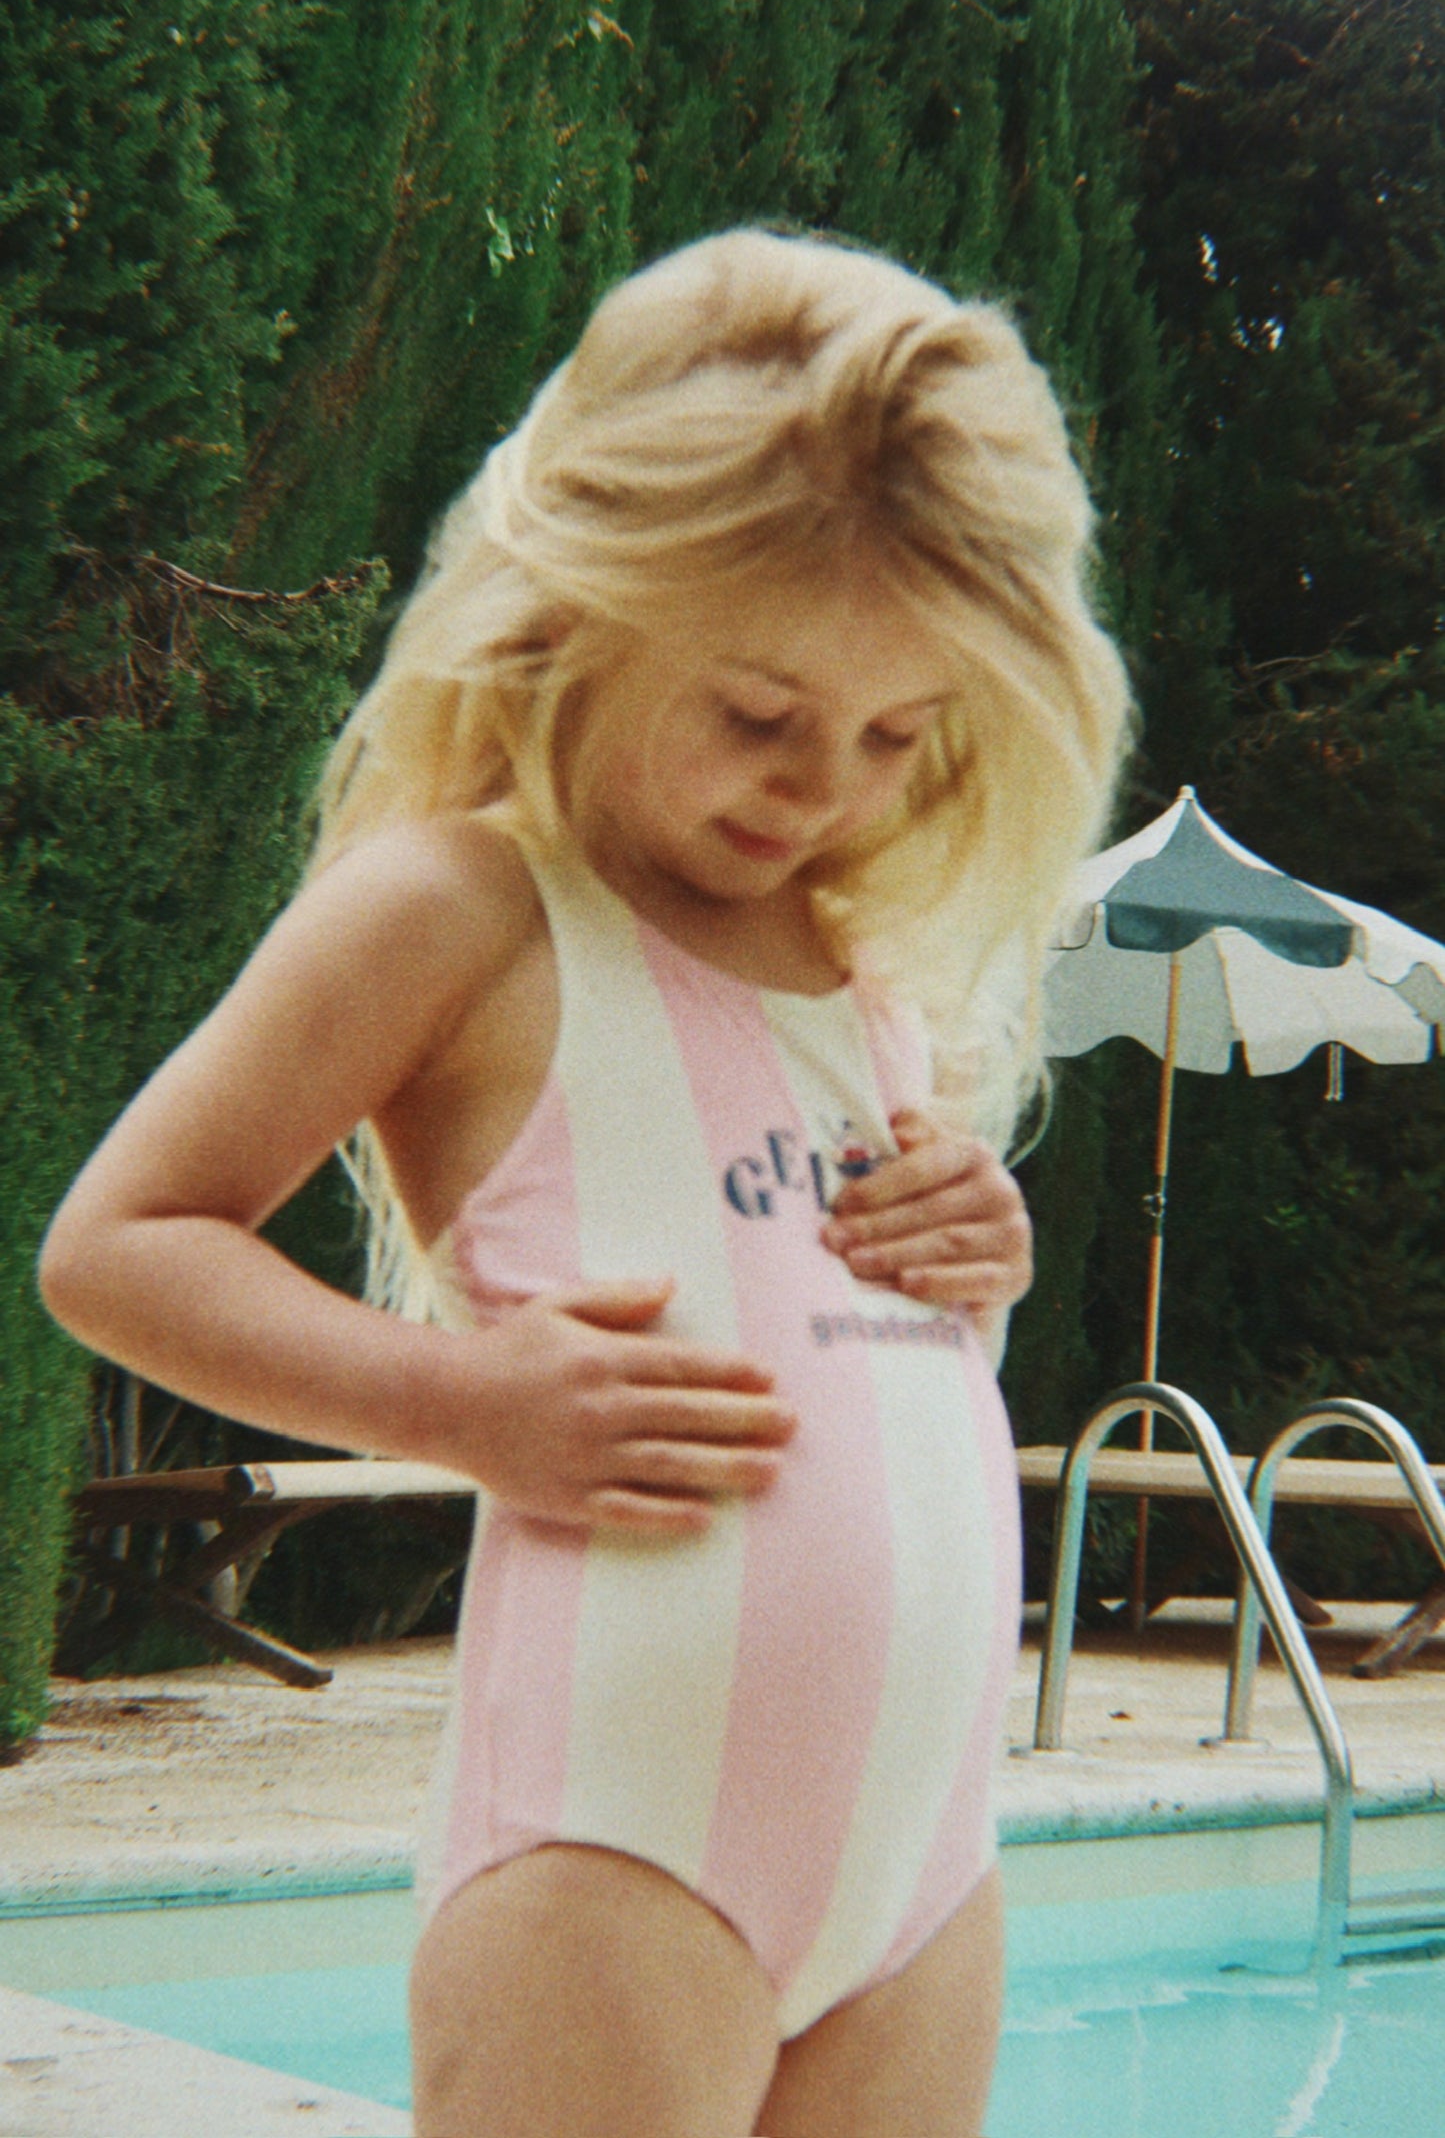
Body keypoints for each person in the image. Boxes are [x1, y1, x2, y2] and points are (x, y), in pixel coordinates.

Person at [40, 228, 1130, 2137]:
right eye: (758, 713)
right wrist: (453, 1402)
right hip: (624, 1855)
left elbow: (828, 1324)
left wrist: (977, 1255)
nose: (820, 785)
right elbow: (118, 1246)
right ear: (580, 608)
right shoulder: (460, 905)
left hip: (918, 1863)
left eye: (895, 732)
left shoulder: (854, 970)